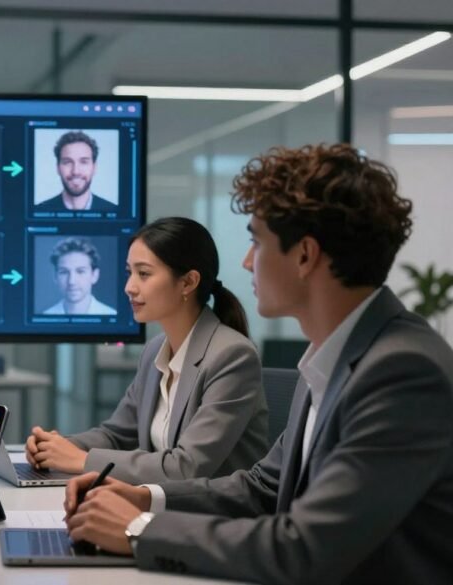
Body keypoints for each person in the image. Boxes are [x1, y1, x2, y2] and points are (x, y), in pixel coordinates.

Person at [62, 144, 453, 584]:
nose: (247, 261)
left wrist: (139, 529)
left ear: (304, 255)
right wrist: (144, 498)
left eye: (256, 242)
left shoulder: (402, 372)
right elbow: (263, 487)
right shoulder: (331, 359)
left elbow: (305, 548)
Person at [29, 218, 267, 483]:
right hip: (160, 500)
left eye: (143, 274)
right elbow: (117, 435)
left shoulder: (232, 356)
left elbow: (186, 468)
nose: (129, 287)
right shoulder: (155, 351)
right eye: (129, 272)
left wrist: (81, 460)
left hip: (211, 507)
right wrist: (56, 447)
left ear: (188, 282)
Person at [35, 130, 118, 213]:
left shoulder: (113, 211)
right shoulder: (40, 211)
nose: (75, 171)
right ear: (58, 168)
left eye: (83, 162)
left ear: (94, 168)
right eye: (67, 162)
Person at [42, 237, 117, 315]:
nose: (71, 281)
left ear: (95, 275)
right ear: (55, 277)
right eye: (64, 272)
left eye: (80, 271)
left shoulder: (111, 314)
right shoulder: (45, 316)